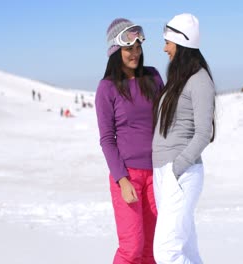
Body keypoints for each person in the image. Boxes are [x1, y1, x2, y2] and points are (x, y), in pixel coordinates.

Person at [95, 18, 164, 263]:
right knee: (132, 247)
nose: (135, 53)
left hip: (157, 173)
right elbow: (106, 139)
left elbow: (164, 120)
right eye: (128, 48)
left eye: (138, 47)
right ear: (116, 51)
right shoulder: (107, 88)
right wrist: (122, 180)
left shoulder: (153, 77)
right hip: (128, 176)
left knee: (154, 248)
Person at [152, 13, 215, 264]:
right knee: (186, 248)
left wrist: (177, 168)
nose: (165, 47)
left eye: (168, 42)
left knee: (166, 251)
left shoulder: (200, 81)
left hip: (181, 173)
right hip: (165, 172)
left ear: (182, 44)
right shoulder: (178, 81)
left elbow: (203, 133)